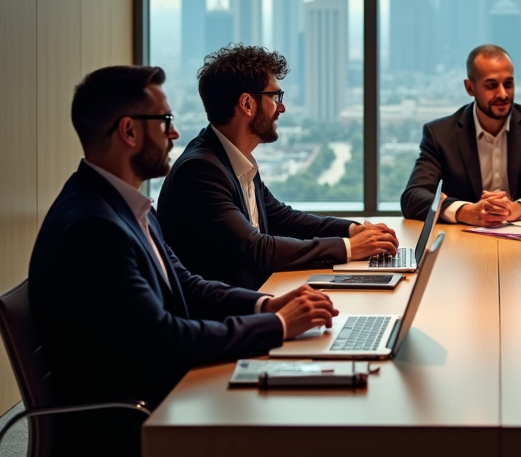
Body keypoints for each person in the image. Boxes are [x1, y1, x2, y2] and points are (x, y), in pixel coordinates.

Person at [29, 66, 339, 456]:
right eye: (164, 121)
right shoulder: (93, 229)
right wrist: (276, 325)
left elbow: (186, 284)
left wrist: (265, 304)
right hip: (136, 420)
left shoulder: (125, 206)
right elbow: (166, 339)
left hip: (164, 390)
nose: (174, 133)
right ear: (128, 131)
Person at [158, 45, 397, 290]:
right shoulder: (199, 171)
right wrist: (349, 248)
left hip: (260, 297)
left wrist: (354, 230)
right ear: (247, 104)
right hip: (226, 317)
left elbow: (284, 219)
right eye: (275, 98)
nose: (281, 108)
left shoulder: (235, 158)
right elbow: (256, 249)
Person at [401, 44, 521, 225]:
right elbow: (413, 196)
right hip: (461, 242)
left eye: (508, 83)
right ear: (470, 88)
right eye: (491, 85)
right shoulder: (440, 134)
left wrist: (520, 207)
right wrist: (464, 211)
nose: (503, 94)